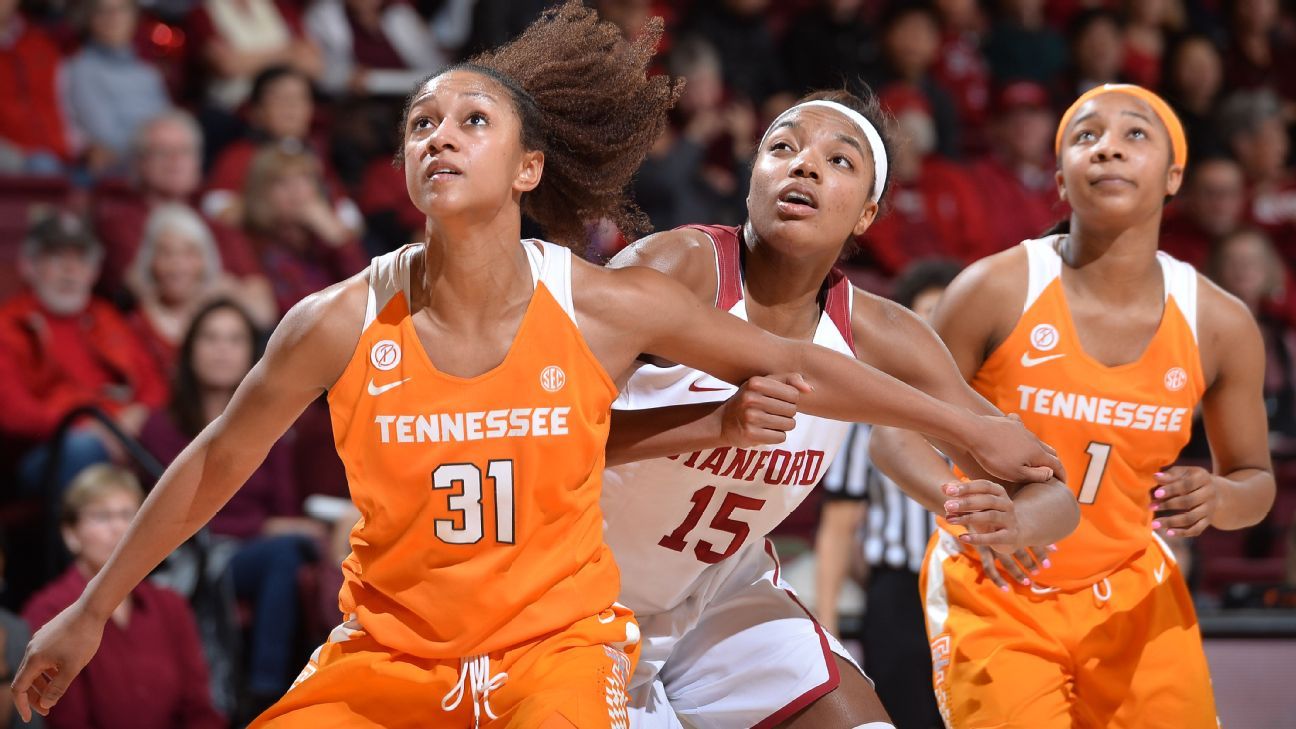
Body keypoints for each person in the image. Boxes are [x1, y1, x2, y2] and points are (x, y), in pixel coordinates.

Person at [12, 5, 1060, 728]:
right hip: (400, 644)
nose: (440, 137)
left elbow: (814, 374)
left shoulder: (602, 303)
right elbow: (209, 461)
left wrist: (980, 444)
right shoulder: (341, 318)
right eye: (422, 122)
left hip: (569, 638)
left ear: (524, 168)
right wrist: (96, 603)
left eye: (471, 120)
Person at [600, 89, 1076, 728]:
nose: (804, 166)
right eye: (783, 148)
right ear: (752, 182)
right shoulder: (677, 266)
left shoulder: (885, 335)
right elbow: (554, 429)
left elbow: (1054, 497)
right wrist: (710, 424)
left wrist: (1012, 522)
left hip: (715, 594)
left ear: (867, 214)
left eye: (840, 161)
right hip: (586, 591)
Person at [872, 84, 1277, 728]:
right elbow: (892, 439)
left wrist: (1219, 498)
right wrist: (977, 518)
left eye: (1134, 135)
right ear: (1060, 177)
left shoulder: (1220, 323)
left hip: (1136, 593)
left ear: (1175, 174)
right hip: (998, 588)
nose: (1108, 148)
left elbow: (1256, 479)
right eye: (1086, 137)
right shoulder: (996, 288)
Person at [138, 300, 321, 714]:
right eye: (211, 338)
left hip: (252, 552)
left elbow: (284, 505)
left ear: (250, 354)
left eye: (235, 340)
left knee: (303, 550)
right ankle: (265, 692)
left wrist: (279, 526)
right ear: (190, 350)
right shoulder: (161, 425)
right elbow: (173, 512)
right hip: (189, 552)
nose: (222, 350)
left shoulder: (269, 420)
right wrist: (265, 526)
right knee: (285, 552)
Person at [814, 259, 962, 729]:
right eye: (927, 317)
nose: (938, 332)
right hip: (899, 594)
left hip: (972, 589)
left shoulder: (993, 411)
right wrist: (827, 628)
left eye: (947, 317)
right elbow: (838, 529)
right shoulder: (869, 408)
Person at [23, 465, 224, 729]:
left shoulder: (170, 605)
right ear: (71, 534)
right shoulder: (47, 611)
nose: (118, 528)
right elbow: (65, 720)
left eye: (129, 516)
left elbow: (199, 710)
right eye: (102, 516)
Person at [0, 212, 167, 497]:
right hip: (45, 452)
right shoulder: (10, 324)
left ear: (94, 271)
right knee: (84, 447)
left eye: (81, 259)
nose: (70, 269)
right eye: (55, 257)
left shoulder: (107, 318)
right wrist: (92, 427)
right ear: (29, 267)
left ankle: (210, 534)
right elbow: (14, 415)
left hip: (120, 437)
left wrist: (138, 417)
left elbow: (153, 387)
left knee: (176, 432)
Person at [91, 110, 276, 325]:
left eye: (184, 151)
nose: (175, 161)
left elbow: (263, 312)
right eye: (162, 152)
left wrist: (189, 291)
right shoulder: (117, 219)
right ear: (140, 162)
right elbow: (142, 290)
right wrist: (226, 289)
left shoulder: (218, 226)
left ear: (198, 162)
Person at [240, 145, 368, 312]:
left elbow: (368, 294)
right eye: (282, 182)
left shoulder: (323, 239)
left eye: (304, 179)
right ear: (261, 194)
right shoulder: (254, 244)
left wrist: (338, 239)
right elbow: (300, 311)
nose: (296, 191)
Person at [61, 0, 172, 177]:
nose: (114, 18)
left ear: (134, 17)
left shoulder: (148, 73)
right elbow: (104, 136)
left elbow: (168, 125)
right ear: (89, 19)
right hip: (120, 168)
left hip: (158, 160)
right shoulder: (80, 69)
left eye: (121, 10)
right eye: (103, 11)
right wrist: (157, 152)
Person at [126, 204, 232, 374]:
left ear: (205, 261)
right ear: (150, 262)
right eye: (166, 253)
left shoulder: (224, 320)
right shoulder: (133, 325)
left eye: (189, 253)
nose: (177, 265)